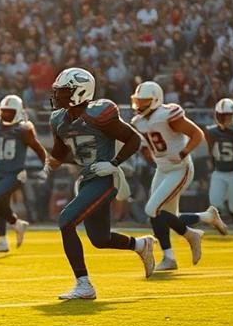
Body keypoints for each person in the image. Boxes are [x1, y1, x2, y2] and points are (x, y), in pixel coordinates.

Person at [42, 68, 156, 300]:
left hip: (105, 178)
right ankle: (141, 245)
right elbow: (61, 151)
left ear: (80, 91)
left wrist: (114, 163)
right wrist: (48, 164)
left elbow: (134, 139)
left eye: (64, 91)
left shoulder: (98, 113)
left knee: (66, 221)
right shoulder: (60, 119)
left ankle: (84, 285)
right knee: (100, 239)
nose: (58, 96)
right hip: (87, 178)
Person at [130, 81, 216, 271]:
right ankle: (170, 256)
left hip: (180, 168)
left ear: (155, 100)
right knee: (166, 216)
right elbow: (148, 145)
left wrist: (184, 152)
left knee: (152, 209)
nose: (139, 105)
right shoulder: (139, 121)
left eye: (144, 101)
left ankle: (191, 235)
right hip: (162, 169)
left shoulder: (167, 114)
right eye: (138, 100)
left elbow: (197, 134)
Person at [0, 94, 47, 252]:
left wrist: (46, 167)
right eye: (3, 111)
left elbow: (39, 149)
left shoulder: (23, 129)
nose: (6, 115)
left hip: (15, 174)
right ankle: (3, 240)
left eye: (9, 112)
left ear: (18, 111)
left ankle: (15, 224)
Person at [204, 98, 233, 231]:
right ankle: (221, 222)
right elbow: (210, 150)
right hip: (219, 171)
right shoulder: (211, 131)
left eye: (226, 115)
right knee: (215, 203)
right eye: (220, 115)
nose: (222, 118)